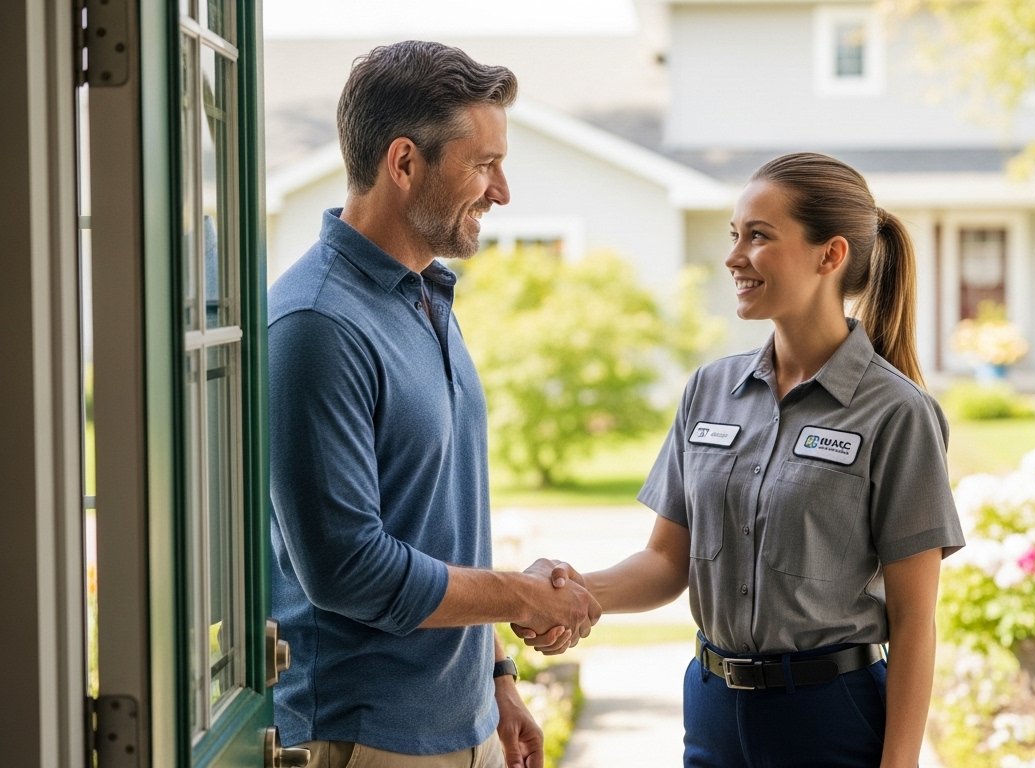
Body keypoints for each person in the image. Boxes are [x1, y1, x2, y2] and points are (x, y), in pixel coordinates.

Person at [522, 152, 966, 767]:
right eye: (735, 235)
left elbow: (915, 621)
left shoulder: (897, 413)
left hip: (832, 720)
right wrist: (570, 592)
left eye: (758, 236)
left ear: (829, 255)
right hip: (712, 711)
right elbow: (663, 562)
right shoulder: (708, 390)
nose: (733, 257)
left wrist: (899, 765)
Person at [267, 41, 599, 768]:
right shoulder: (317, 325)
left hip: (466, 727)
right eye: (483, 165)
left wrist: (498, 679)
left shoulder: (426, 295)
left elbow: (439, 518)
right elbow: (348, 568)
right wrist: (521, 597)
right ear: (404, 163)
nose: (502, 191)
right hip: (364, 741)